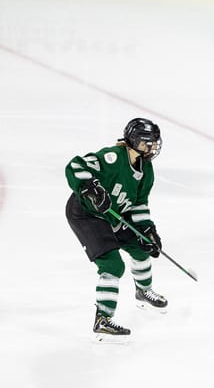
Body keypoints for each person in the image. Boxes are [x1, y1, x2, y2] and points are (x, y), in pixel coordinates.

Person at [65, 118, 167, 341]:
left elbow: (139, 203)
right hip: (87, 215)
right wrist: (89, 186)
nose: (152, 148)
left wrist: (147, 231)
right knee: (112, 264)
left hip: (116, 215)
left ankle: (143, 291)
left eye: (154, 143)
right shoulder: (112, 157)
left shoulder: (146, 170)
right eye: (147, 143)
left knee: (142, 250)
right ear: (134, 141)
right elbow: (75, 165)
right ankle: (103, 319)